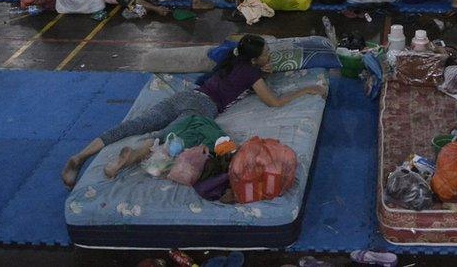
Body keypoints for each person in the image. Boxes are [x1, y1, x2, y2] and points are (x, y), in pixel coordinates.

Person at [61, 35, 326, 188]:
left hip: (186, 96)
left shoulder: (232, 58)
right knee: (168, 137)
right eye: (267, 52)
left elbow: (234, 43)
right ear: (255, 59)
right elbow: (274, 102)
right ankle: (126, 159)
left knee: (134, 124)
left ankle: (79, 157)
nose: (271, 54)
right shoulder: (252, 73)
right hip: (203, 106)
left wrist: (259, 66)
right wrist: (307, 90)